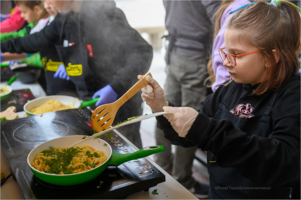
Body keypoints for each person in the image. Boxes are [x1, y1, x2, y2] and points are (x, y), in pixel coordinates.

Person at [139, 0, 300, 199]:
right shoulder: (231, 88)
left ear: (271, 58)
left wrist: (206, 130)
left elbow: (282, 162)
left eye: (237, 55)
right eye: (225, 52)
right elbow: (188, 135)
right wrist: (162, 107)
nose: (225, 62)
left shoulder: (293, 97)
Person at [1, 0, 153, 149]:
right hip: (87, 103)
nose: (46, 4)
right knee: (98, 152)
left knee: (127, 152)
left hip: (119, 103)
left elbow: (143, 52)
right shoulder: (64, 18)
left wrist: (115, 87)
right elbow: (35, 40)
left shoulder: (106, 13)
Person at [154, 1, 221, 198]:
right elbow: (220, 17)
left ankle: (161, 169)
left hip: (173, 52)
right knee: (189, 120)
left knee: (164, 111)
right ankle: (183, 181)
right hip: (196, 56)